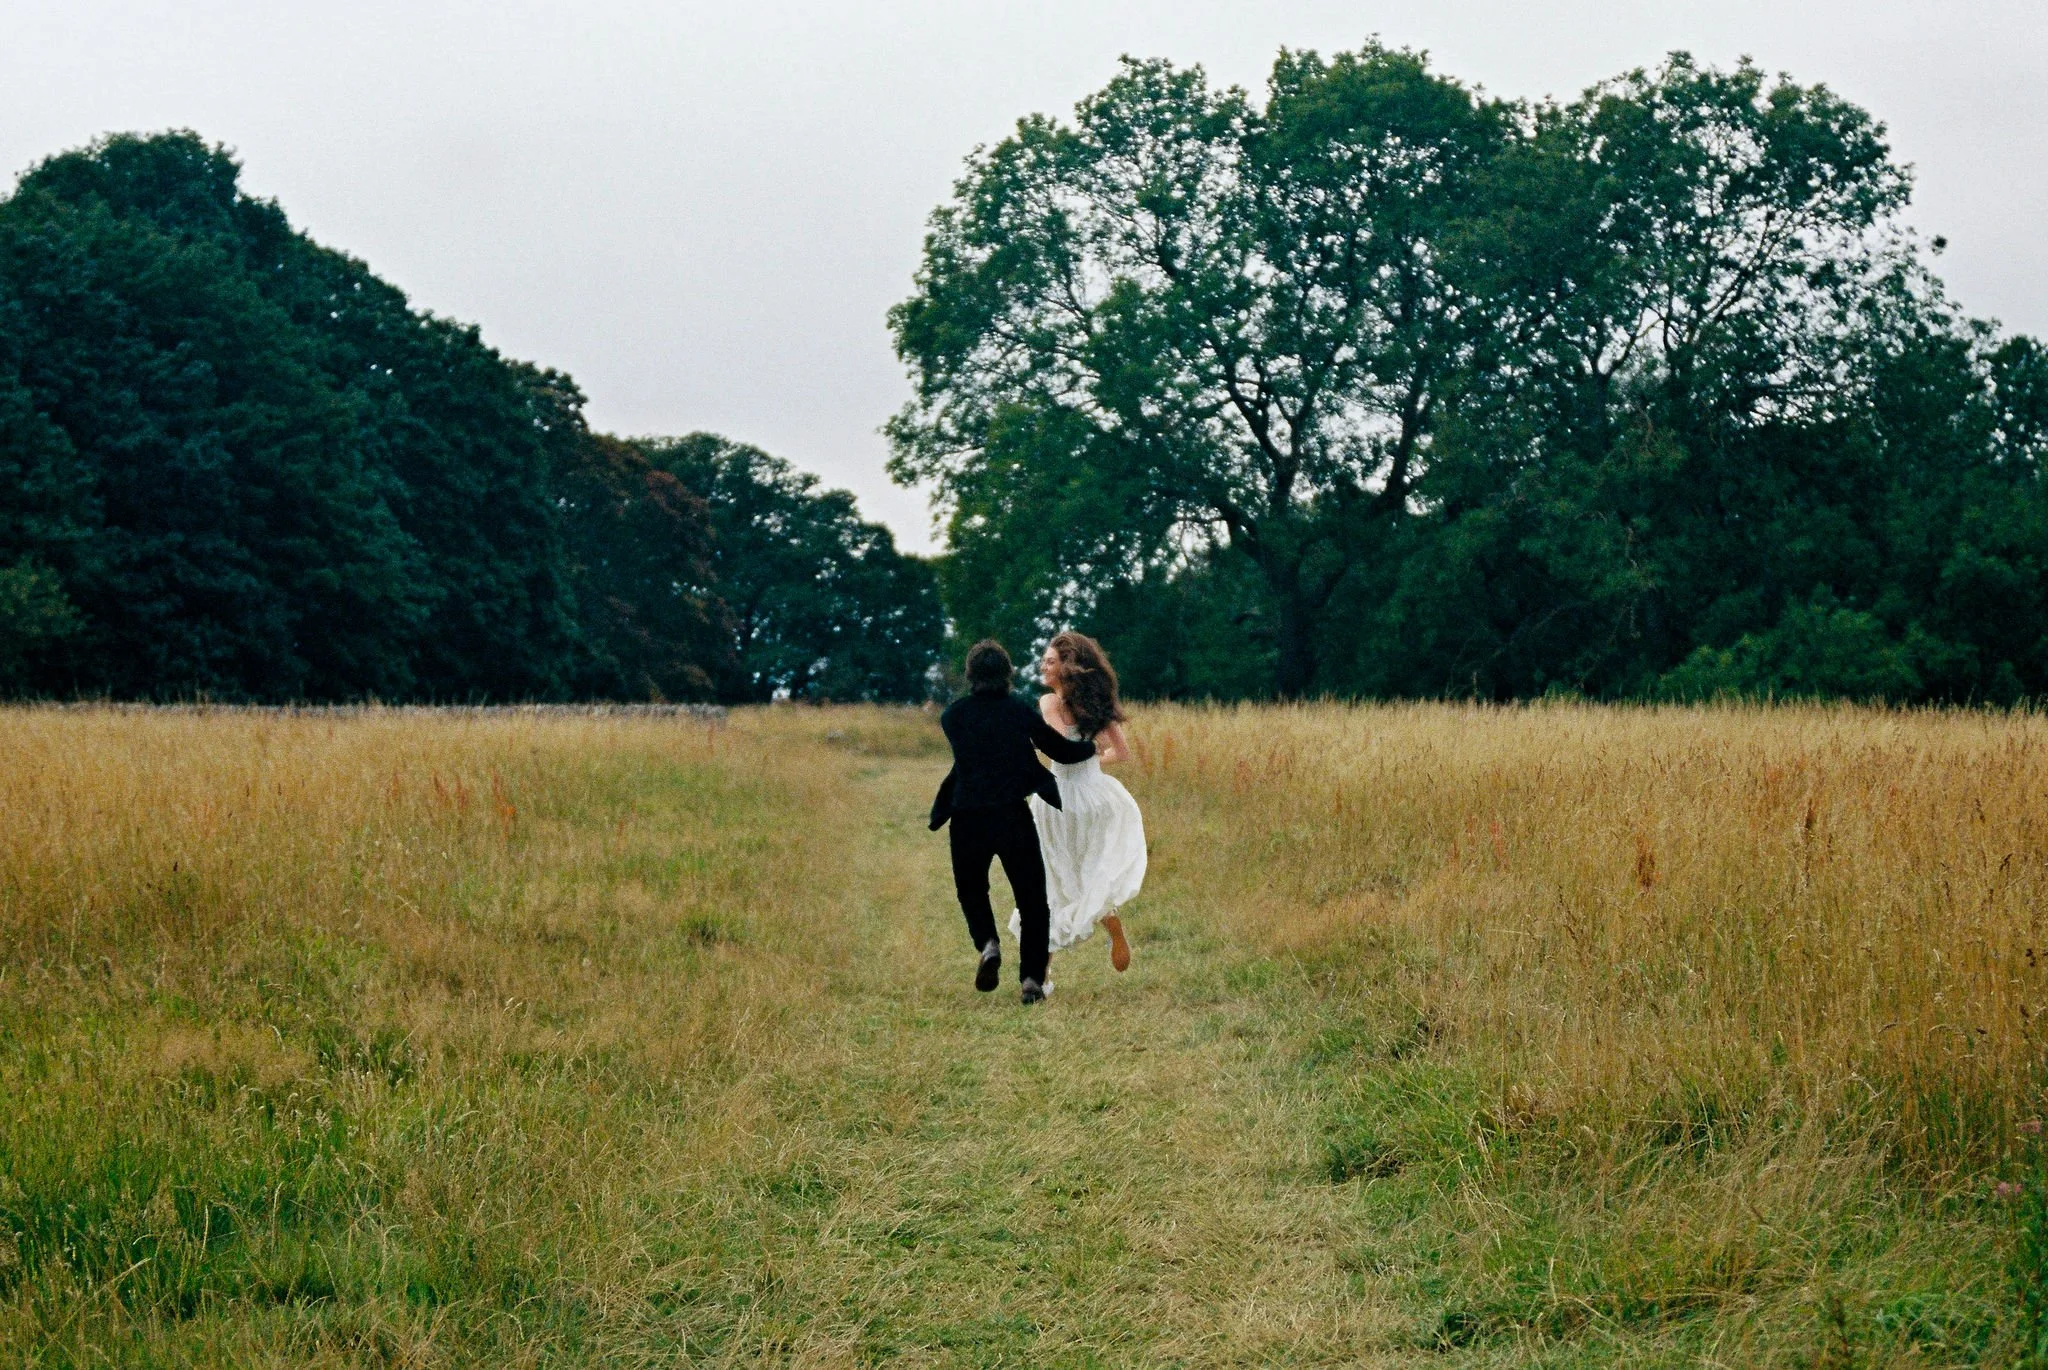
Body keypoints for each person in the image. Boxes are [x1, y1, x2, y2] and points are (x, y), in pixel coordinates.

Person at [930, 640, 1097, 1004]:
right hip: (1011, 816)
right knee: (1033, 899)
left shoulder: (953, 717)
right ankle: (1032, 980)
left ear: (970, 674)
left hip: (967, 816)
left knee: (971, 889)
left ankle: (988, 943)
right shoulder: (1018, 711)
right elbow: (1060, 751)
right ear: (1008, 674)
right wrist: (1092, 746)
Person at [1008, 631, 1146, 976]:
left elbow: (1058, 746)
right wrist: (1094, 758)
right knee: (1090, 867)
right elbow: (1123, 753)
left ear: (1066, 667)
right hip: (1097, 795)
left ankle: (1039, 976)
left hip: (1061, 797)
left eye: (1050, 661)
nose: (1043, 665)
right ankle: (1110, 920)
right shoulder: (1100, 706)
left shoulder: (1049, 703)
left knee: (1050, 877)